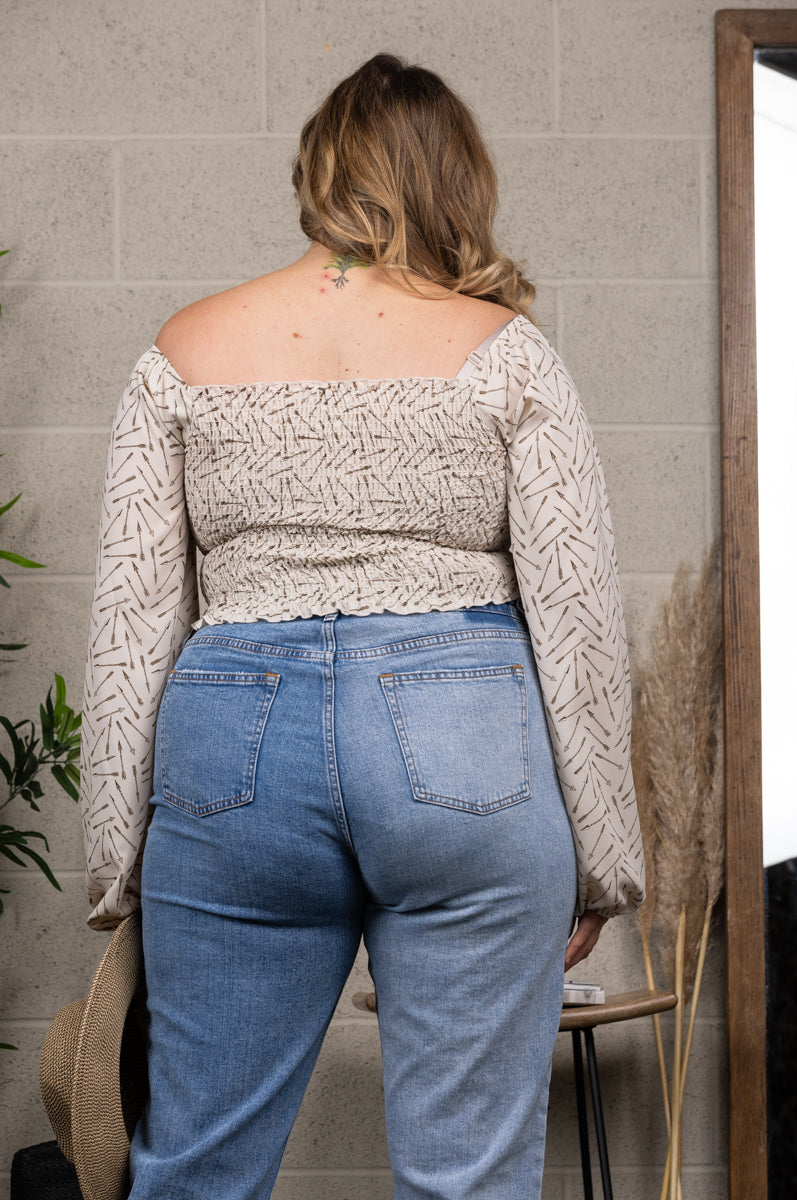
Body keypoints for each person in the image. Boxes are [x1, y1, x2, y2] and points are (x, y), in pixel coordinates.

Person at [79, 52, 644, 1200]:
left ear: (316, 172)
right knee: (467, 1181)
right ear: (455, 181)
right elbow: (578, 615)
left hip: (233, 747)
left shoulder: (181, 350)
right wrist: (603, 859)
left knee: (194, 1170)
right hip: (462, 738)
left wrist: (114, 860)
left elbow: (130, 623)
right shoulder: (504, 352)